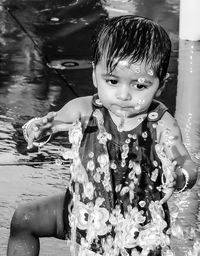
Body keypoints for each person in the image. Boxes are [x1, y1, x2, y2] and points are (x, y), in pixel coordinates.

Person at [7, 15, 198, 256]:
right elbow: (48, 125)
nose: (124, 95)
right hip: (83, 210)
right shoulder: (84, 109)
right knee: (25, 218)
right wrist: (37, 129)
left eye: (140, 85)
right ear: (95, 75)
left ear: (160, 85)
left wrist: (179, 176)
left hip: (137, 227)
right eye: (112, 81)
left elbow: (186, 164)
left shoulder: (160, 124)